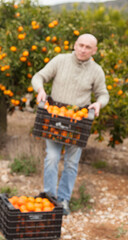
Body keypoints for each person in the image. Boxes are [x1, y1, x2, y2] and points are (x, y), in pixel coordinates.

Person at [31, 33, 109, 215]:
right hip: (54, 120)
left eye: (88, 47)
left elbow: (103, 94)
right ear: (74, 45)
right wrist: (40, 89)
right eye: (80, 45)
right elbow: (38, 76)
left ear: (94, 50)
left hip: (78, 124)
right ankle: (49, 197)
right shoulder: (60, 60)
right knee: (51, 158)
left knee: (72, 163)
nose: (83, 49)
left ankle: (64, 200)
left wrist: (98, 103)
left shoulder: (96, 71)